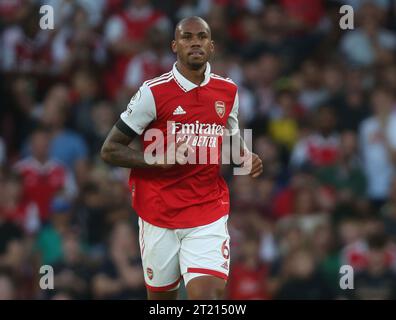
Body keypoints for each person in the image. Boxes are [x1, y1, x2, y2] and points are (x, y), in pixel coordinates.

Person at [101, 16, 263, 300]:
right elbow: (109, 149)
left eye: (201, 36)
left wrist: (245, 157)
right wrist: (156, 159)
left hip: (207, 212)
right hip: (158, 213)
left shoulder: (228, 91)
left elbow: (233, 137)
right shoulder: (153, 92)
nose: (195, 42)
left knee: (208, 298)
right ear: (174, 46)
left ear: (211, 46)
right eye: (187, 37)